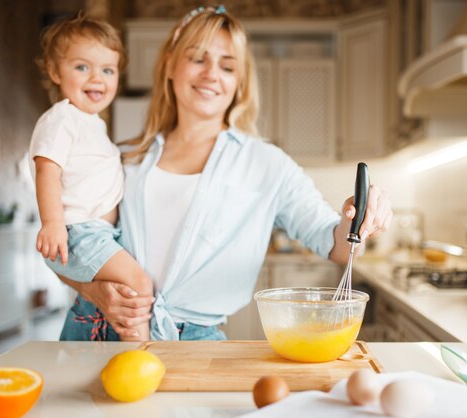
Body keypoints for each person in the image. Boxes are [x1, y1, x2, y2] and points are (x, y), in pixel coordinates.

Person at [58, 6, 393, 341]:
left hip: (195, 342)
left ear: (239, 82)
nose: (211, 74)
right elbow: (70, 242)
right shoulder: (125, 159)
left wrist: (357, 219)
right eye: (198, 58)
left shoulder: (268, 164)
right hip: (96, 328)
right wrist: (93, 291)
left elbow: (331, 242)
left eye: (227, 66)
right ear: (171, 64)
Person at [29, 15, 154, 341]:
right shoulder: (62, 119)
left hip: (100, 233)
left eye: (107, 70)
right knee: (138, 285)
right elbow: (47, 171)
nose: (96, 78)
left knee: (118, 292)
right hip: (80, 231)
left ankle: (123, 353)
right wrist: (53, 222)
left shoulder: (92, 124)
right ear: (56, 72)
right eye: (82, 67)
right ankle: (142, 356)